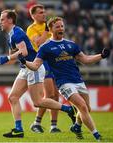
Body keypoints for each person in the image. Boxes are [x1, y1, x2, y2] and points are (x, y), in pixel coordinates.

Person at [18, 16, 110, 141]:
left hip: (78, 80)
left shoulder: (71, 44)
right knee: (82, 107)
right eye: (57, 27)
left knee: (86, 109)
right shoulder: (45, 47)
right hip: (64, 83)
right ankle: (97, 136)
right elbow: (35, 66)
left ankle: (77, 126)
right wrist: (25, 62)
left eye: (62, 26)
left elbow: (85, 60)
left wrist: (102, 55)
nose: (61, 28)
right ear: (50, 29)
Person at [0, 10, 75, 138]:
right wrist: (2, 61)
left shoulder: (16, 33)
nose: (0, 22)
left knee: (38, 102)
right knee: (12, 97)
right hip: (25, 68)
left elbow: (23, 52)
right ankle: (18, 129)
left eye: (2, 19)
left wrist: (5, 59)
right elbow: (13, 56)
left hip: (33, 68)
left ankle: (68, 109)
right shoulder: (11, 35)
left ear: (10, 20)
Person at [27, 4, 76, 133]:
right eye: (40, 13)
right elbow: (39, 43)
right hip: (43, 62)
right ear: (33, 15)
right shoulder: (32, 29)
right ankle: (36, 122)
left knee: (56, 94)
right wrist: (47, 30)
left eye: (44, 12)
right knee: (49, 94)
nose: (43, 14)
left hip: (55, 61)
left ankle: (53, 126)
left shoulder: (49, 26)